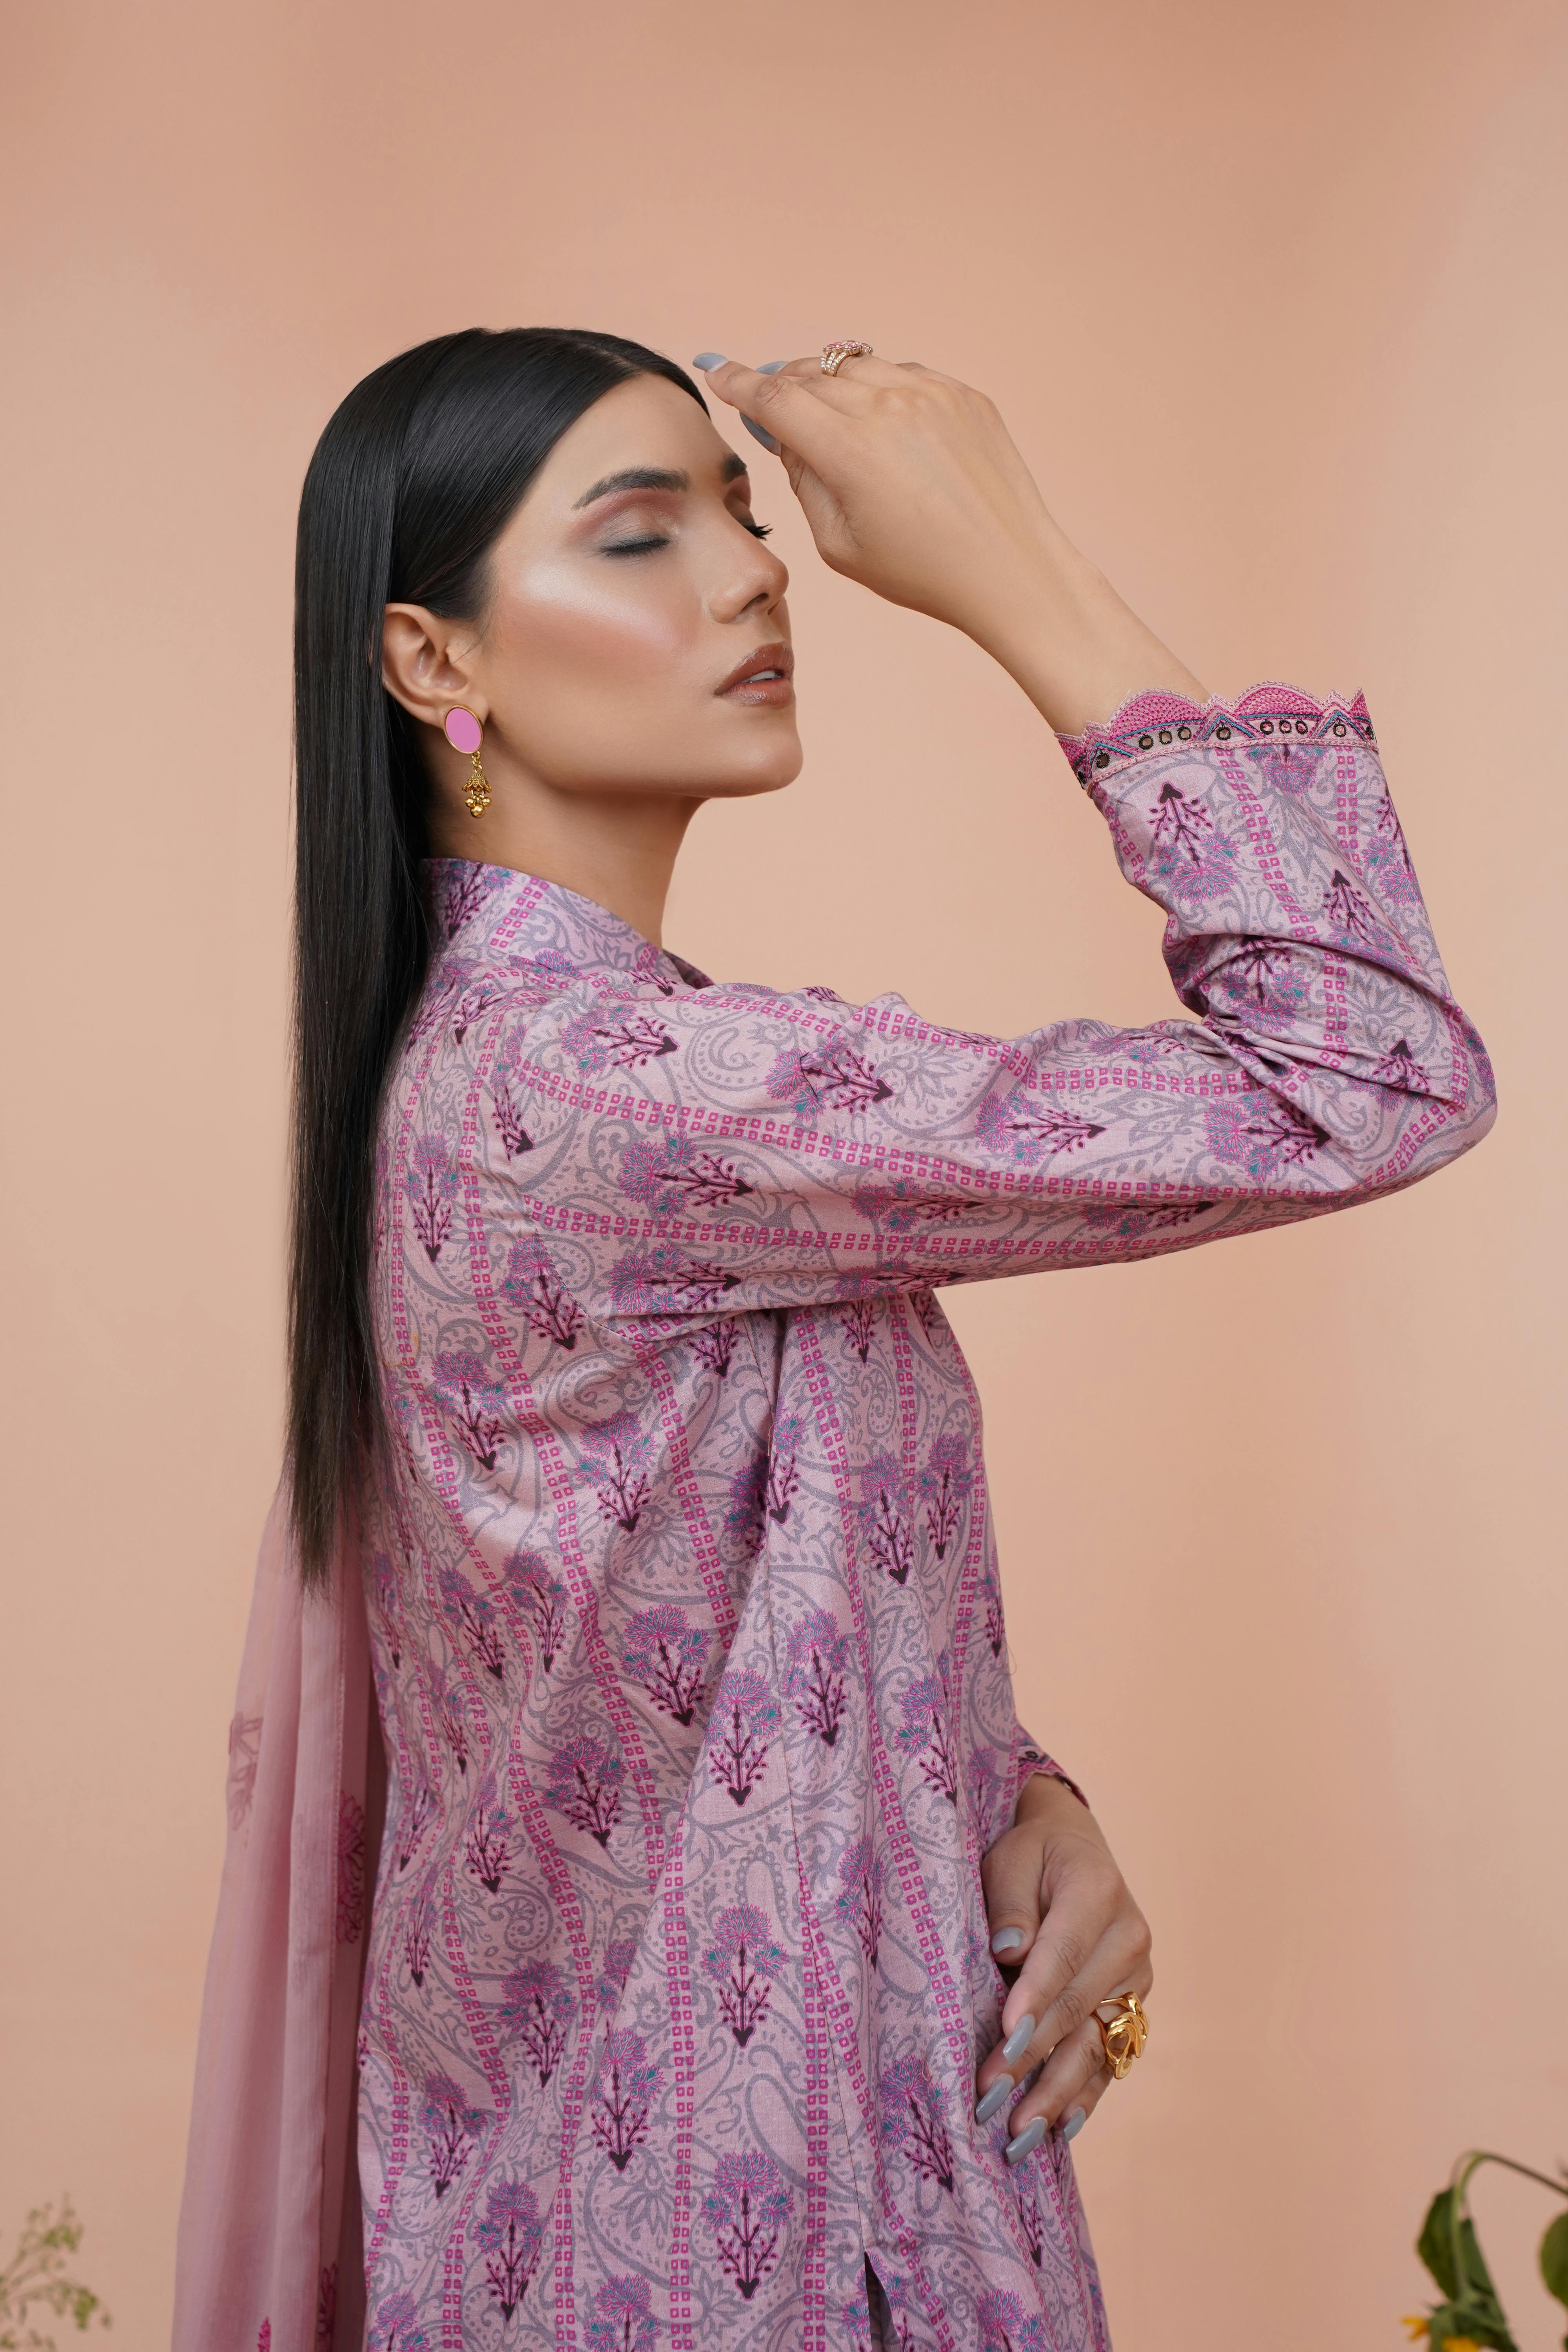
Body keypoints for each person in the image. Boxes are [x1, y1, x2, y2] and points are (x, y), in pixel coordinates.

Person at [172, 328, 1494, 2352]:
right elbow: (1371, 1069)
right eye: (639, 535)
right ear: (434, 666)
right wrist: (1012, 558)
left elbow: (648, 1656)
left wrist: (1004, 1788)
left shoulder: (477, 1082)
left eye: (743, 510)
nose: (753, 570)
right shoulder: (621, 1095)